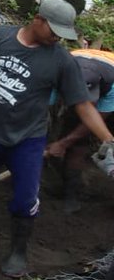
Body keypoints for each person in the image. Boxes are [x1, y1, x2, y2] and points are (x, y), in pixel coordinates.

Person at [0, 0, 114, 278]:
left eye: (62, 34)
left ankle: (18, 252)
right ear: (37, 19)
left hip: (27, 140)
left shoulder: (62, 61)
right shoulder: (0, 36)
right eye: (54, 31)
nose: (57, 38)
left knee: (25, 198)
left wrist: (108, 139)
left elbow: (83, 105)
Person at [44, 47, 114, 212]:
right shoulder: (56, 73)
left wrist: (62, 144)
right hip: (90, 69)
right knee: (74, 139)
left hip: (110, 85)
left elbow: (94, 120)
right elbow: (41, 108)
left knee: (83, 142)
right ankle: (70, 191)